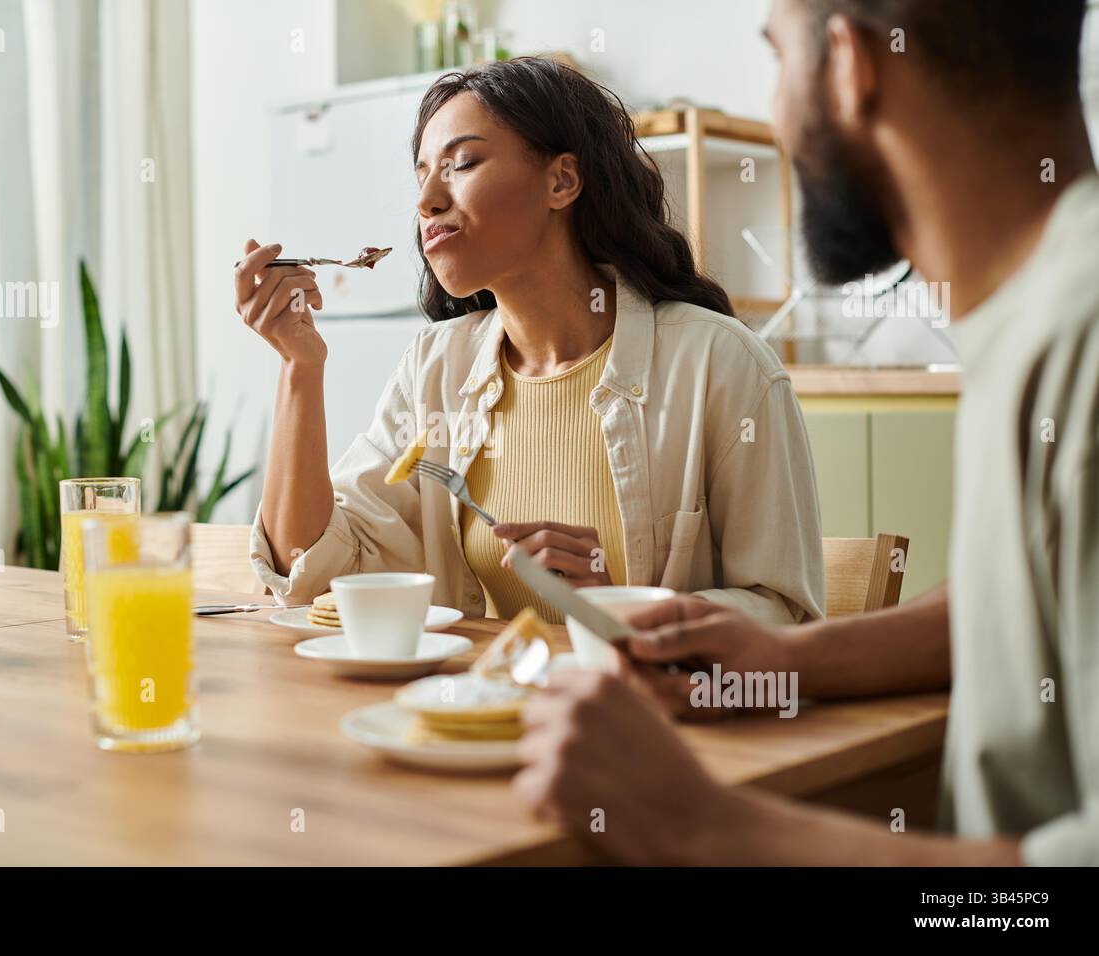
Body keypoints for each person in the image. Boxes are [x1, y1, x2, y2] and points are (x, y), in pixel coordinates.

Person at [516, 0, 1099, 866]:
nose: (777, 115)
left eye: (779, 57)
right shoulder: (1039, 312)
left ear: (850, 65)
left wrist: (713, 829)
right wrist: (789, 660)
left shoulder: (1081, 340)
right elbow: (1025, 601)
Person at [236, 58, 824, 626]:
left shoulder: (720, 364)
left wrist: (622, 610)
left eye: (462, 163)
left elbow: (783, 616)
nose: (426, 201)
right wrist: (299, 367)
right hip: (477, 714)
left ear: (561, 181)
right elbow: (310, 571)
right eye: (422, 175)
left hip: (649, 723)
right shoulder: (435, 367)